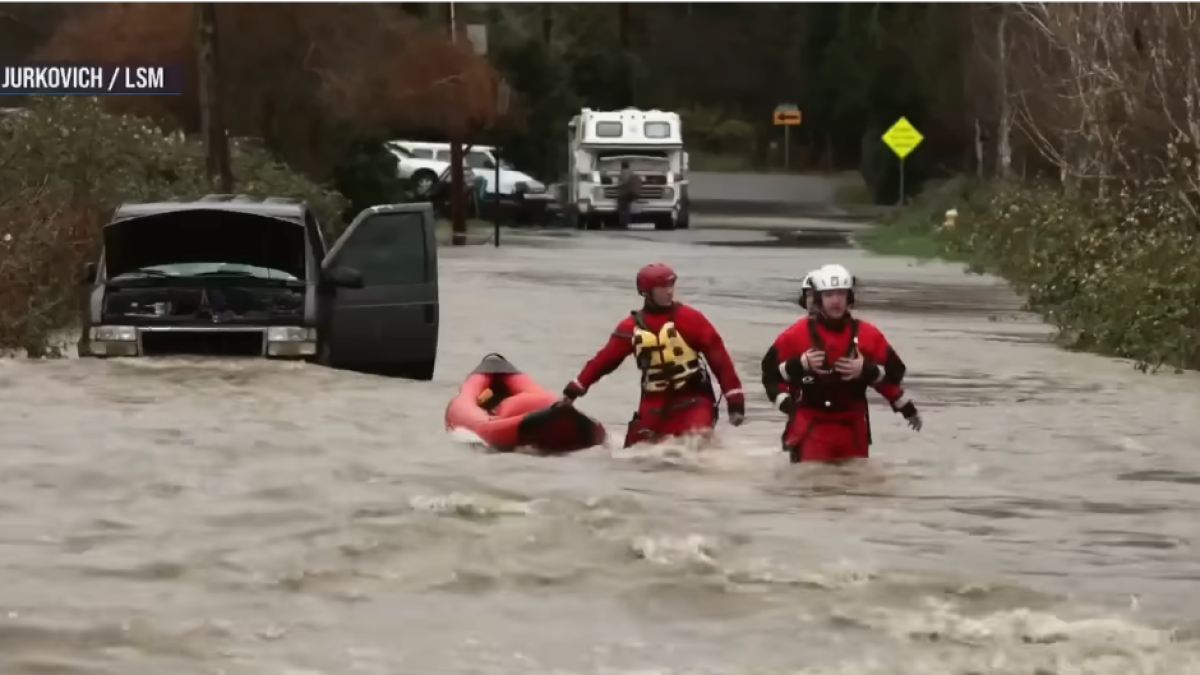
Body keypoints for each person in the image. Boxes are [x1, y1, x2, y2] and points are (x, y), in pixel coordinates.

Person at [562, 262, 746, 447]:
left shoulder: (690, 319)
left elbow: (720, 360)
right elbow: (603, 362)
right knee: (635, 455)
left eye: (671, 285)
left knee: (693, 446)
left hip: (693, 398)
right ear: (647, 292)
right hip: (653, 401)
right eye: (662, 287)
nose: (669, 291)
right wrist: (573, 391)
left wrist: (735, 400)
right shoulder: (629, 328)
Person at [760, 263, 921, 463]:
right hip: (810, 427)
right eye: (829, 295)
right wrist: (799, 367)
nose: (836, 301)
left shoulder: (868, 334)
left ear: (849, 298)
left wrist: (868, 371)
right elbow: (769, 373)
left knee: (856, 489)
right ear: (818, 299)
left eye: (841, 294)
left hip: (853, 429)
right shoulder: (796, 334)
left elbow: (896, 373)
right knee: (809, 485)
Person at [617, 161, 643, 229]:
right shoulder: (632, 172)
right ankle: (626, 223)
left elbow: (621, 183)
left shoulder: (623, 173)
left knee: (622, 208)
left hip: (625, 193)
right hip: (633, 193)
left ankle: (623, 223)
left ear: (622, 166)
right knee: (627, 208)